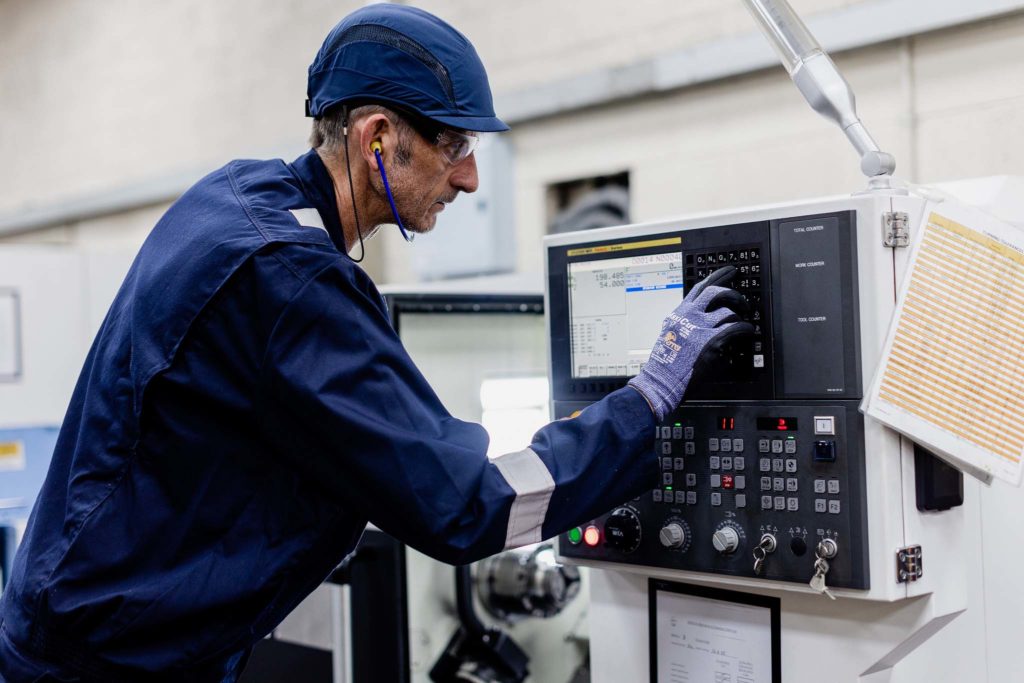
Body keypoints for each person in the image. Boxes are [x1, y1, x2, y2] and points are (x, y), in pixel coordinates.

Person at [0, 5, 750, 681]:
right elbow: (468, 507)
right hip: (108, 664)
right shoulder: (289, 278)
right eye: (452, 143)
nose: (470, 176)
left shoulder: (236, 198)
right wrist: (643, 401)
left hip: (79, 629)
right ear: (378, 139)